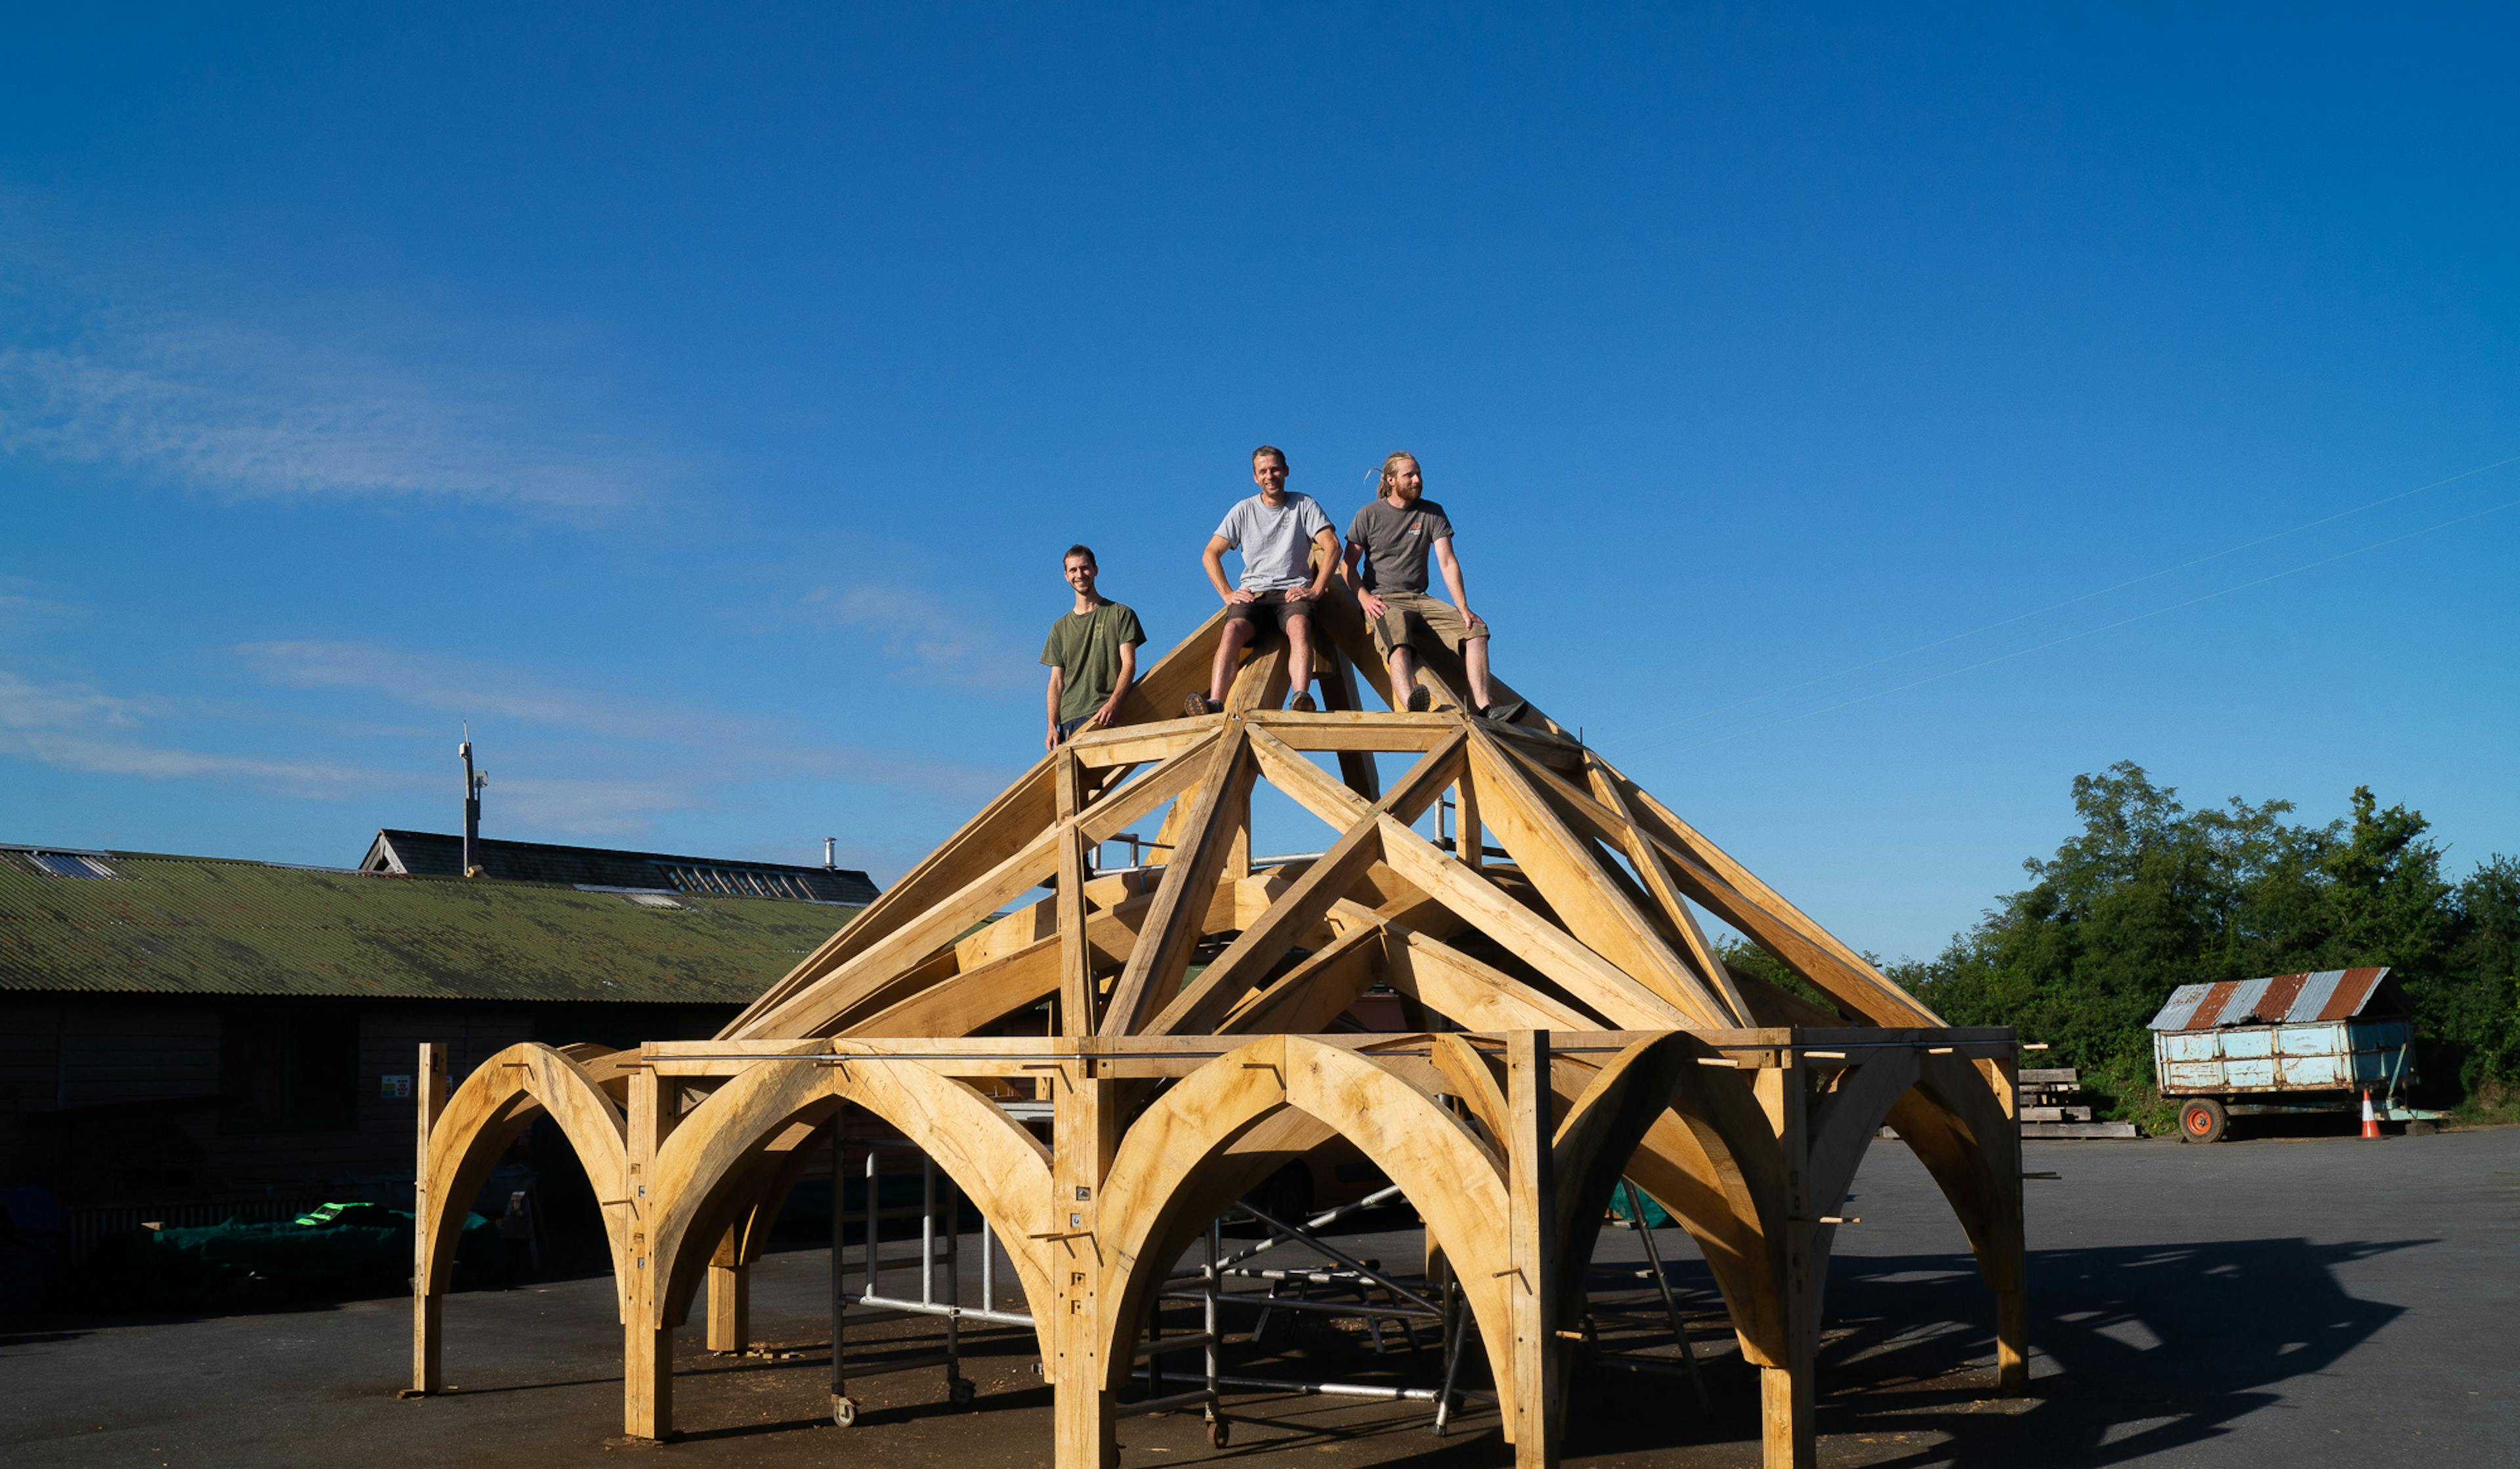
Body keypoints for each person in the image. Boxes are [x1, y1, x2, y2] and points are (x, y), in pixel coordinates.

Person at [1339, 451, 1522, 721]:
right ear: (1391, 480)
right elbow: (1347, 565)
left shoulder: (1432, 512)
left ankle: (1487, 707)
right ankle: (1413, 701)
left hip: (1421, 598)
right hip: (1384, 599)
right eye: (1409, 475)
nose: (1417, 480)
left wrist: (1464, 608)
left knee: (1477, 632)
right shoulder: (1369, 514)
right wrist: (1364, 598)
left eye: (1419, 474)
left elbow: (1447, 562)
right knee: (1399, 642)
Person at [1187, 445, 1339, 716]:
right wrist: (1227, 594)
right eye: (1263, 471)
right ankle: (1215, 702)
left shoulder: (1303, 504)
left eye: (1275, 469)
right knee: (1232, 630)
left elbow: (1332, 546)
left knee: (1299, 626)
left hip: (1292, 590)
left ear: (1286, 471)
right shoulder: (1243, 510)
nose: (1270, 476)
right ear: (1255, 478)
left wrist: (1316, 590)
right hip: (1255, 594)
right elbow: (1210, 553)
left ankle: (1301, 696)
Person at [1040, 543, 1146, 751]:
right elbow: (1056, 682)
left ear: (1096, 570)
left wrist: (1114, 703)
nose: (1079, 574)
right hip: (1069, 721)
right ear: (1066, 576)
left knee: (1108, 781)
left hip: (1104, 714)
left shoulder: (1120, 614)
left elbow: (1129, 664)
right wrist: (1052, 725)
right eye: (1073, 570)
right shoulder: (1059, 628)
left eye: (1085, 568)